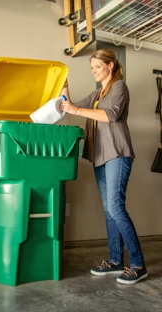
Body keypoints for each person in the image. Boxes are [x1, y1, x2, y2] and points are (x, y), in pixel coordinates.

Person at [60, 48, 148, 284]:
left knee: (116, 208)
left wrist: (78, 110)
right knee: (109, 210)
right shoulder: (98, 93)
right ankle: (116, 260)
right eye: (92, 68)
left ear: (110, 65)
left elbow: (111, 115)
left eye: (97, 67)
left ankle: (138, 264)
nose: (94, 72)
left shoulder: (119, 86)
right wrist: (64, 86)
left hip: (117, 153)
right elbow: (72, 106)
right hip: (100, 156)